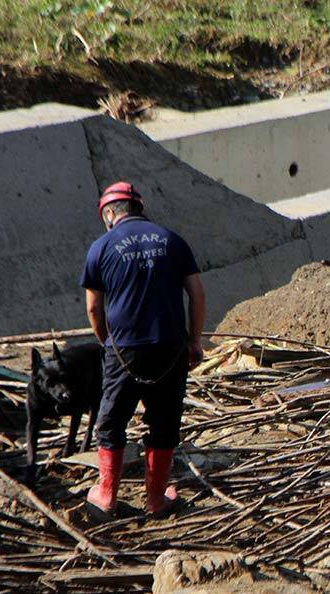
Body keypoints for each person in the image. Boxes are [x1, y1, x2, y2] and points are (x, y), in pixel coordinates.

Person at [80, 182, 206, 521]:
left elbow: (94, 306)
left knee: (112, 420)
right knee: (164, 422)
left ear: (109, 214)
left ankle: (106, 496)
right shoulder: (172, 240)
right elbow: (196, 293)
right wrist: (194, 340)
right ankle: (155, 499)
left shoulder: (101, 247)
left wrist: (108, 341)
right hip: (171, 347)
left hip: (125, 350)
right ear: (139, 207)